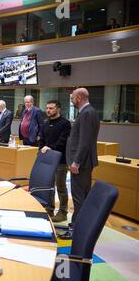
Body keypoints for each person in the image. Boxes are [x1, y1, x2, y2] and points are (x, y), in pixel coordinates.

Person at [61, 88, 100, 239]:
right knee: (82, 196)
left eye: (72, 98)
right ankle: (81, 225)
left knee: (79, 197)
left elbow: (85, 141)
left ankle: (77, 230)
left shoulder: (87, 113)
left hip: (82, 163)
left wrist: (76, 161)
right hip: (84, 162)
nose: (71, 100)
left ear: (78, 98)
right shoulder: (87, 112)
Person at [39, 100, 71, 222]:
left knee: (61, 187)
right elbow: (42, 140)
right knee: (49, 186)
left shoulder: (65, 123)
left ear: (58, 109)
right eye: (47, 108)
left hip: (61, 160)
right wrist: (41, 150)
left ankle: (63, 211)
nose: (48, 110)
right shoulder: (45, 124)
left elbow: (62, 141)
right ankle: (49, 208)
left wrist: (50, 147)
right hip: (47, 160)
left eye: (51, 108)